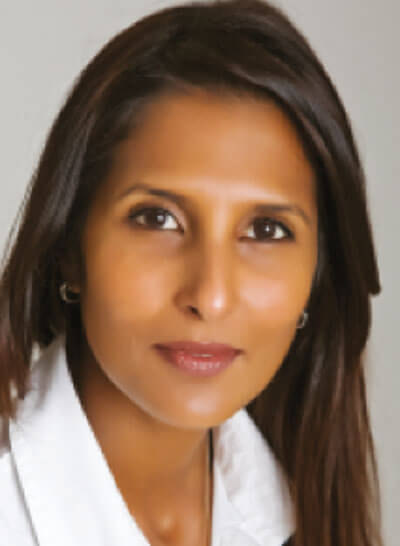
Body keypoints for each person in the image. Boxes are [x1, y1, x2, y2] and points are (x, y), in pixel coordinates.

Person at [0, 0, 384, 545]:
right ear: (69, 248)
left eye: (266, 230)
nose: (211, 295)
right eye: (157, 219)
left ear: (318, 275)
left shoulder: (301, 506)